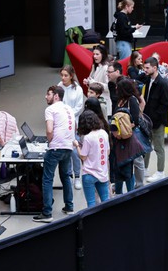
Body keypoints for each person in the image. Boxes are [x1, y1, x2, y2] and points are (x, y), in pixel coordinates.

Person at [35, 85, 75, 223]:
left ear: (56, 96)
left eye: (48, 94)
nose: (46, 97)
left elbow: (49, 130)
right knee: (65, 177)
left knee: (47, 179)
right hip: (68, 147)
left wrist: (50, 141)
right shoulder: (69, 108)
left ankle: (47, 213)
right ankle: (69, 207)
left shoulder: (50, 109)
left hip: (56, 148)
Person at [142, 57, 168, 182]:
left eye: (147, 68)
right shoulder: (149, 80)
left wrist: (154, 118)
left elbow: (165, 104)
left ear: (155, 68)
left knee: (158, 147)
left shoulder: (162, 84)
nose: (145, 70)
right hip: (148, 120)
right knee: (146, 145)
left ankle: (160, 171)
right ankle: (144, 168)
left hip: (157, 122)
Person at [114, 77, 147, 193]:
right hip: (121, 136)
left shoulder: (132, 100)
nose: (116, 88)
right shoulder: (120, 100)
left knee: (137, 160)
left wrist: (125, 129)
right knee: (124, 161)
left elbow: (136, 120)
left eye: (118, 87)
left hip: (131, 135)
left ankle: (139, 186)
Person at [75, 110, 111, 207]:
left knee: (91, 204)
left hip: (89, 174)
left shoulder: (87, 137)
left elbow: (83, 156)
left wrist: (77, 146)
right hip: (102, 173)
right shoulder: (104, 133)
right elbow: (107, 152)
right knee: (106, 202)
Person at [59, 67, 86, 188]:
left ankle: (77, 176)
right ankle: (69, 175)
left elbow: (79, 107)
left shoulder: (78, 89)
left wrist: (68, 115)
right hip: (61, 124)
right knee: (66, 151)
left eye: (65, 75)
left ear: (71, 76)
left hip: (74, 123)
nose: (63, 78)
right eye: (62, 75)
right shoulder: (59, 86)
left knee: (75, 152)